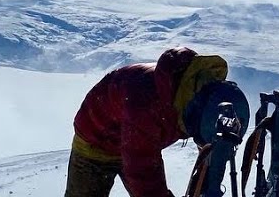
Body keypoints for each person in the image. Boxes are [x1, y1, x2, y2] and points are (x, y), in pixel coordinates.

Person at [65, 46, 243, 197]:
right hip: (96, 141)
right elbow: (142, 169)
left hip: (134, 134)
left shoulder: (197, 91)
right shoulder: (146, 103)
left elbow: (207, 139)